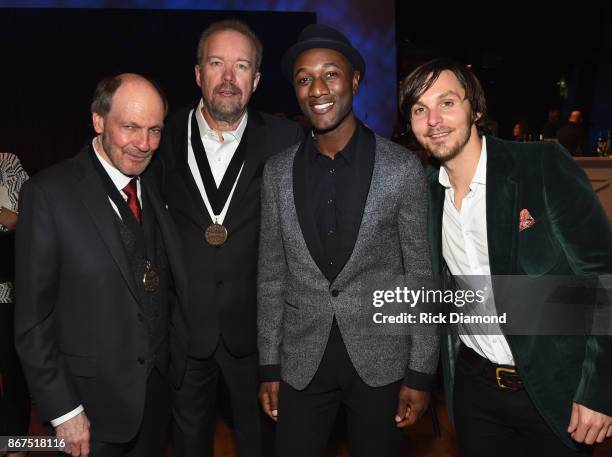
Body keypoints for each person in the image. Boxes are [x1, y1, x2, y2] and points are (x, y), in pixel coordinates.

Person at [399, 58, 612, 456]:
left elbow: (603, 277)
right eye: (419, 109)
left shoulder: (541, 167)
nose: (433, 120)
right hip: (476, 393)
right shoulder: (424, 197)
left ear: (475, 109)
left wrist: (599, 390)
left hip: (556, 392)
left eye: (447, 103)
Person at [257, 24, 439, 457]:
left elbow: (421, 277)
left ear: (355, 79)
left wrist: (420, 372)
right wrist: (269, 365)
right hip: (301, 362)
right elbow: (271, 276)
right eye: (304, 79)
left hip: (382, 360)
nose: (317, 88)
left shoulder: (401, 169)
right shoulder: (277, 173)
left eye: (331, 74)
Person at [149, 19, 303, 457]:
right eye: (217, 63)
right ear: (198, 73)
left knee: (261, 446)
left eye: (241, 66)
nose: (228, 77)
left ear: (255, 80)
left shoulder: (286, 140)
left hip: (257, 337)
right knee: (188, 445)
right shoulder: (162, 135)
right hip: (184, 333)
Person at [14, 73, 189, 457]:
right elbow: (32, 321)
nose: (144, 145)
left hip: (157, 399)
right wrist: (64, 410)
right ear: (98, 121)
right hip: (88, 411)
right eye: (130, 127)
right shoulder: (48, 194)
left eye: (155, 130)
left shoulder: (154, 185)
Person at [0, 152, 30, 457]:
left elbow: (16, 219)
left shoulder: (7, 163)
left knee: (13, 373)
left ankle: (16, 444)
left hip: (6, 292)